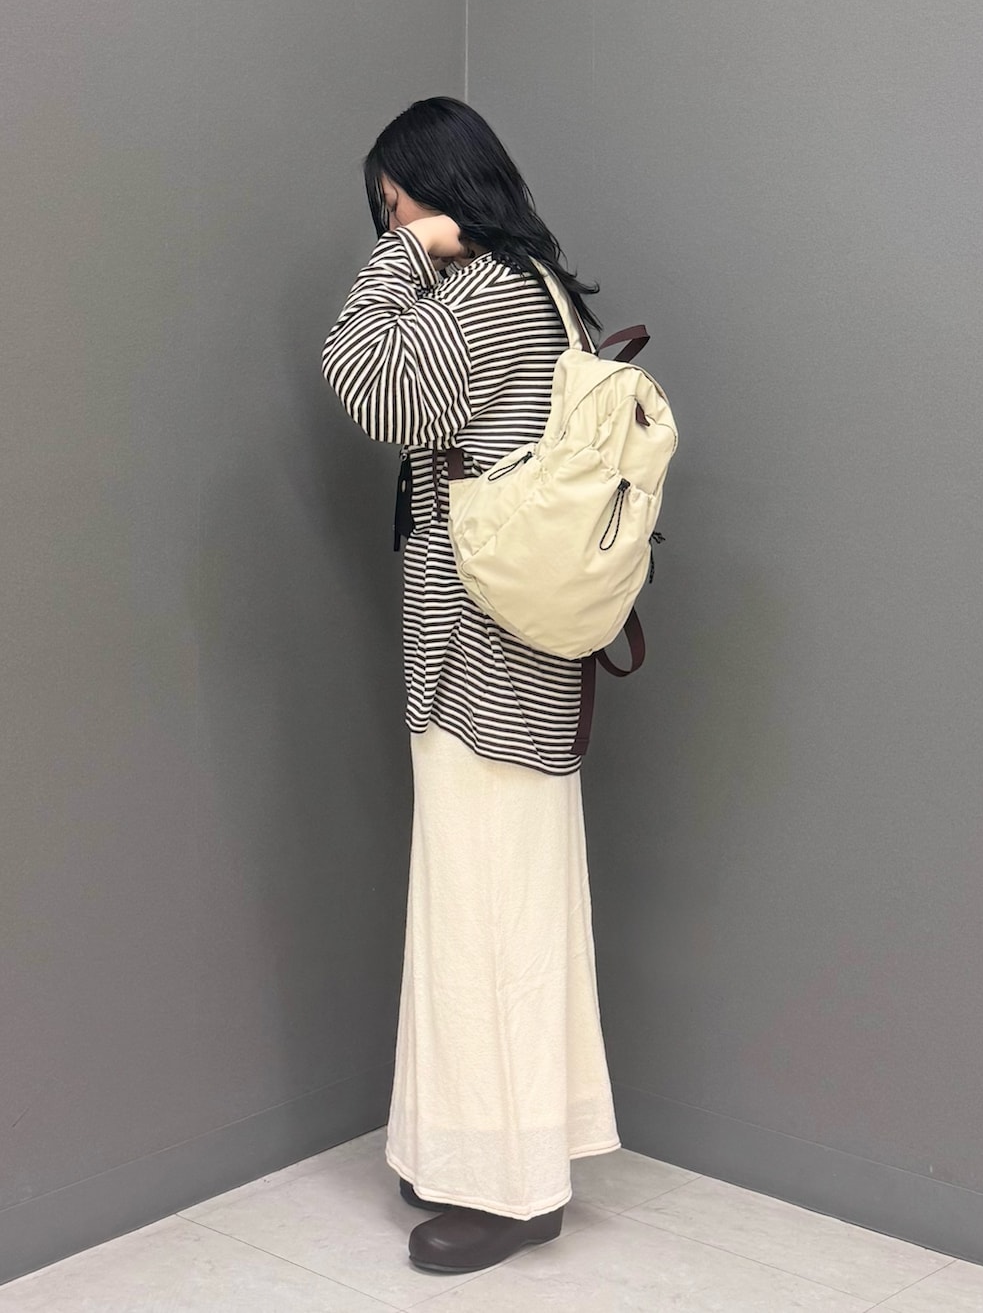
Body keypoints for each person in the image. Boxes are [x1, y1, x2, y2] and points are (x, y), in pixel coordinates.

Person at [320, 96, 620, 1275]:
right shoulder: (543, 288)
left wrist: (408, 253)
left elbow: (366, 381)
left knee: (487, 910)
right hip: (520, 649)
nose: (388, 225)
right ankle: (491, 1152)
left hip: (481, 658)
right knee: (501, 902)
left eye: (392, 202)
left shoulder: (489, 291)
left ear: (434, 190)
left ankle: (510, 1191)